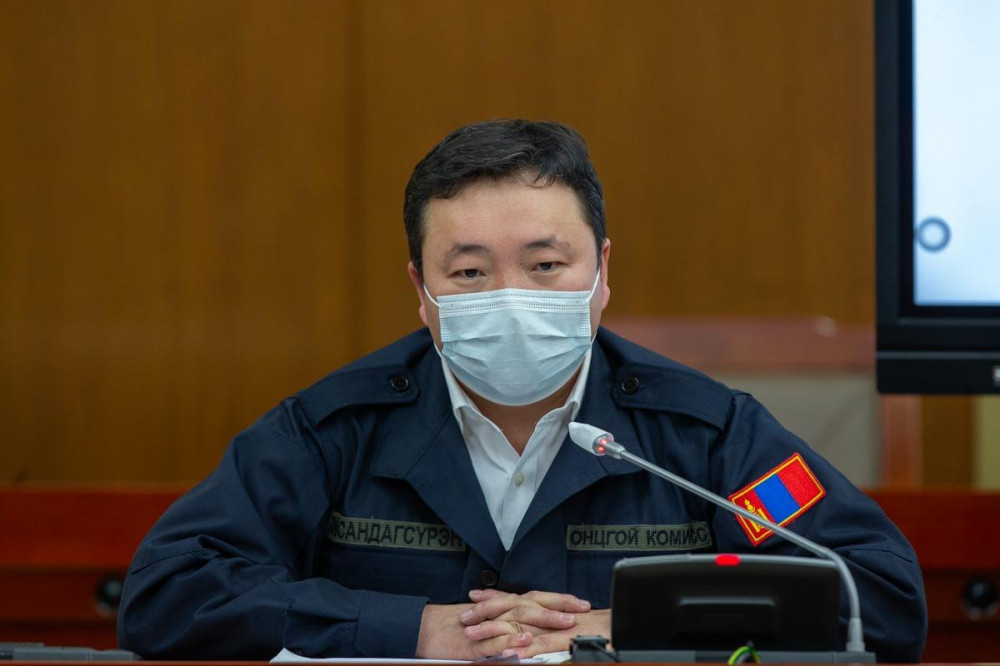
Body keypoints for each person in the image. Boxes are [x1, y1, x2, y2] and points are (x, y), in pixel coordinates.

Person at [117, 119, 927, 662]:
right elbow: (169, 591)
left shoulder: (702, 436)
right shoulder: (336, 429)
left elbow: (878, 595)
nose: (511, 297)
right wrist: (414, 630)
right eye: (470, 273)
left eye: (545, 265)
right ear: (422, 291)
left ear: (601, 272)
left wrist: (628, 626)